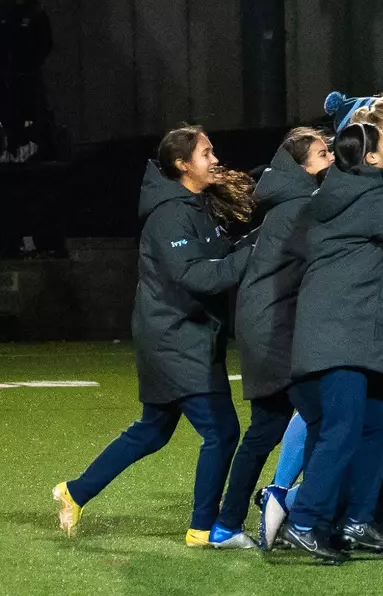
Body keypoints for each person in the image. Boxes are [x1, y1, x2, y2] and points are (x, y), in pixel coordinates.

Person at [53, 127, 256, 545]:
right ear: (182, 165)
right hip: (176, 339)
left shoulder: (193, 206)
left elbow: (219, 254)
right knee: (222, 431)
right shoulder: (170, 214)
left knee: (153, 430)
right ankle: (203, 528)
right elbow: (194, 274)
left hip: (183, 335)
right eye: (206, 153)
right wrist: (257, 254)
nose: (215, 159)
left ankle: (75, 491)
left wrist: (257, 242)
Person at [277, 123, 383, 564]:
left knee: (379, 423)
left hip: (342, 333)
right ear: (372, 157)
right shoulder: (374, 197)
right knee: (343, 429)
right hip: (344, 336)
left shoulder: (337, 196)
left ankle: (355, 518)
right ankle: (304, 521)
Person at [218, 128, 332, 549]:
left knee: (267, 429)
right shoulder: (301, 206)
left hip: (269, 325)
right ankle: (295, 509)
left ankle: (229, 522)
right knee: (326, 420)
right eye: (322, 154)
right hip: (275, 330)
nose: (332, 159)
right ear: (302, 167)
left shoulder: (290, 204)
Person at [0, 0, 53, 163]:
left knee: (30, 110)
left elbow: (46, 41)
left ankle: (29, 145)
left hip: (28, 73)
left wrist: (34, 62)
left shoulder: (36, 11)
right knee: (9, 111)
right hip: (8, 73)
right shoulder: (4, 11)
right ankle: (12, 147)